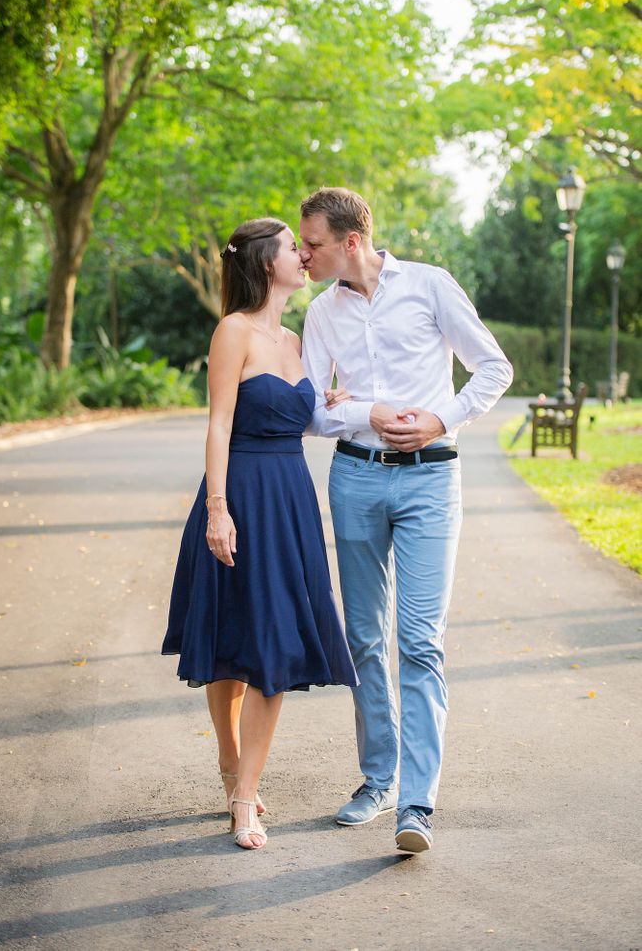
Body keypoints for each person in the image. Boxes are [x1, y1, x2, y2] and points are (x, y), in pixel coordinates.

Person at [299, 188, 513, 854]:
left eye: (313, 244)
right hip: (354, 479)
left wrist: (440, 419)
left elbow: (493, 368)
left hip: (430, 482)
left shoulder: (430, 286)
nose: (303, 254)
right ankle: (378, 778)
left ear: (351, 241)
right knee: (364, 638)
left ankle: (416, 804)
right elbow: (312, 409)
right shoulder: (320, 314)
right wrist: (371, 411)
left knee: (420, 642)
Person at [162, 217, 358, 851]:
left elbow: (295, 420)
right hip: (240, 493)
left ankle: (245, 795)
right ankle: (230, 761)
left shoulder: (298, 339)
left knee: (273, 644)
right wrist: (218, 509)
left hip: (291, 501)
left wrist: (327, 403)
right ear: (261, 264)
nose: (304, 257)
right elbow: (219, 425)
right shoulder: (233, 332)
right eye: (291, 250)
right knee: (230, 645)